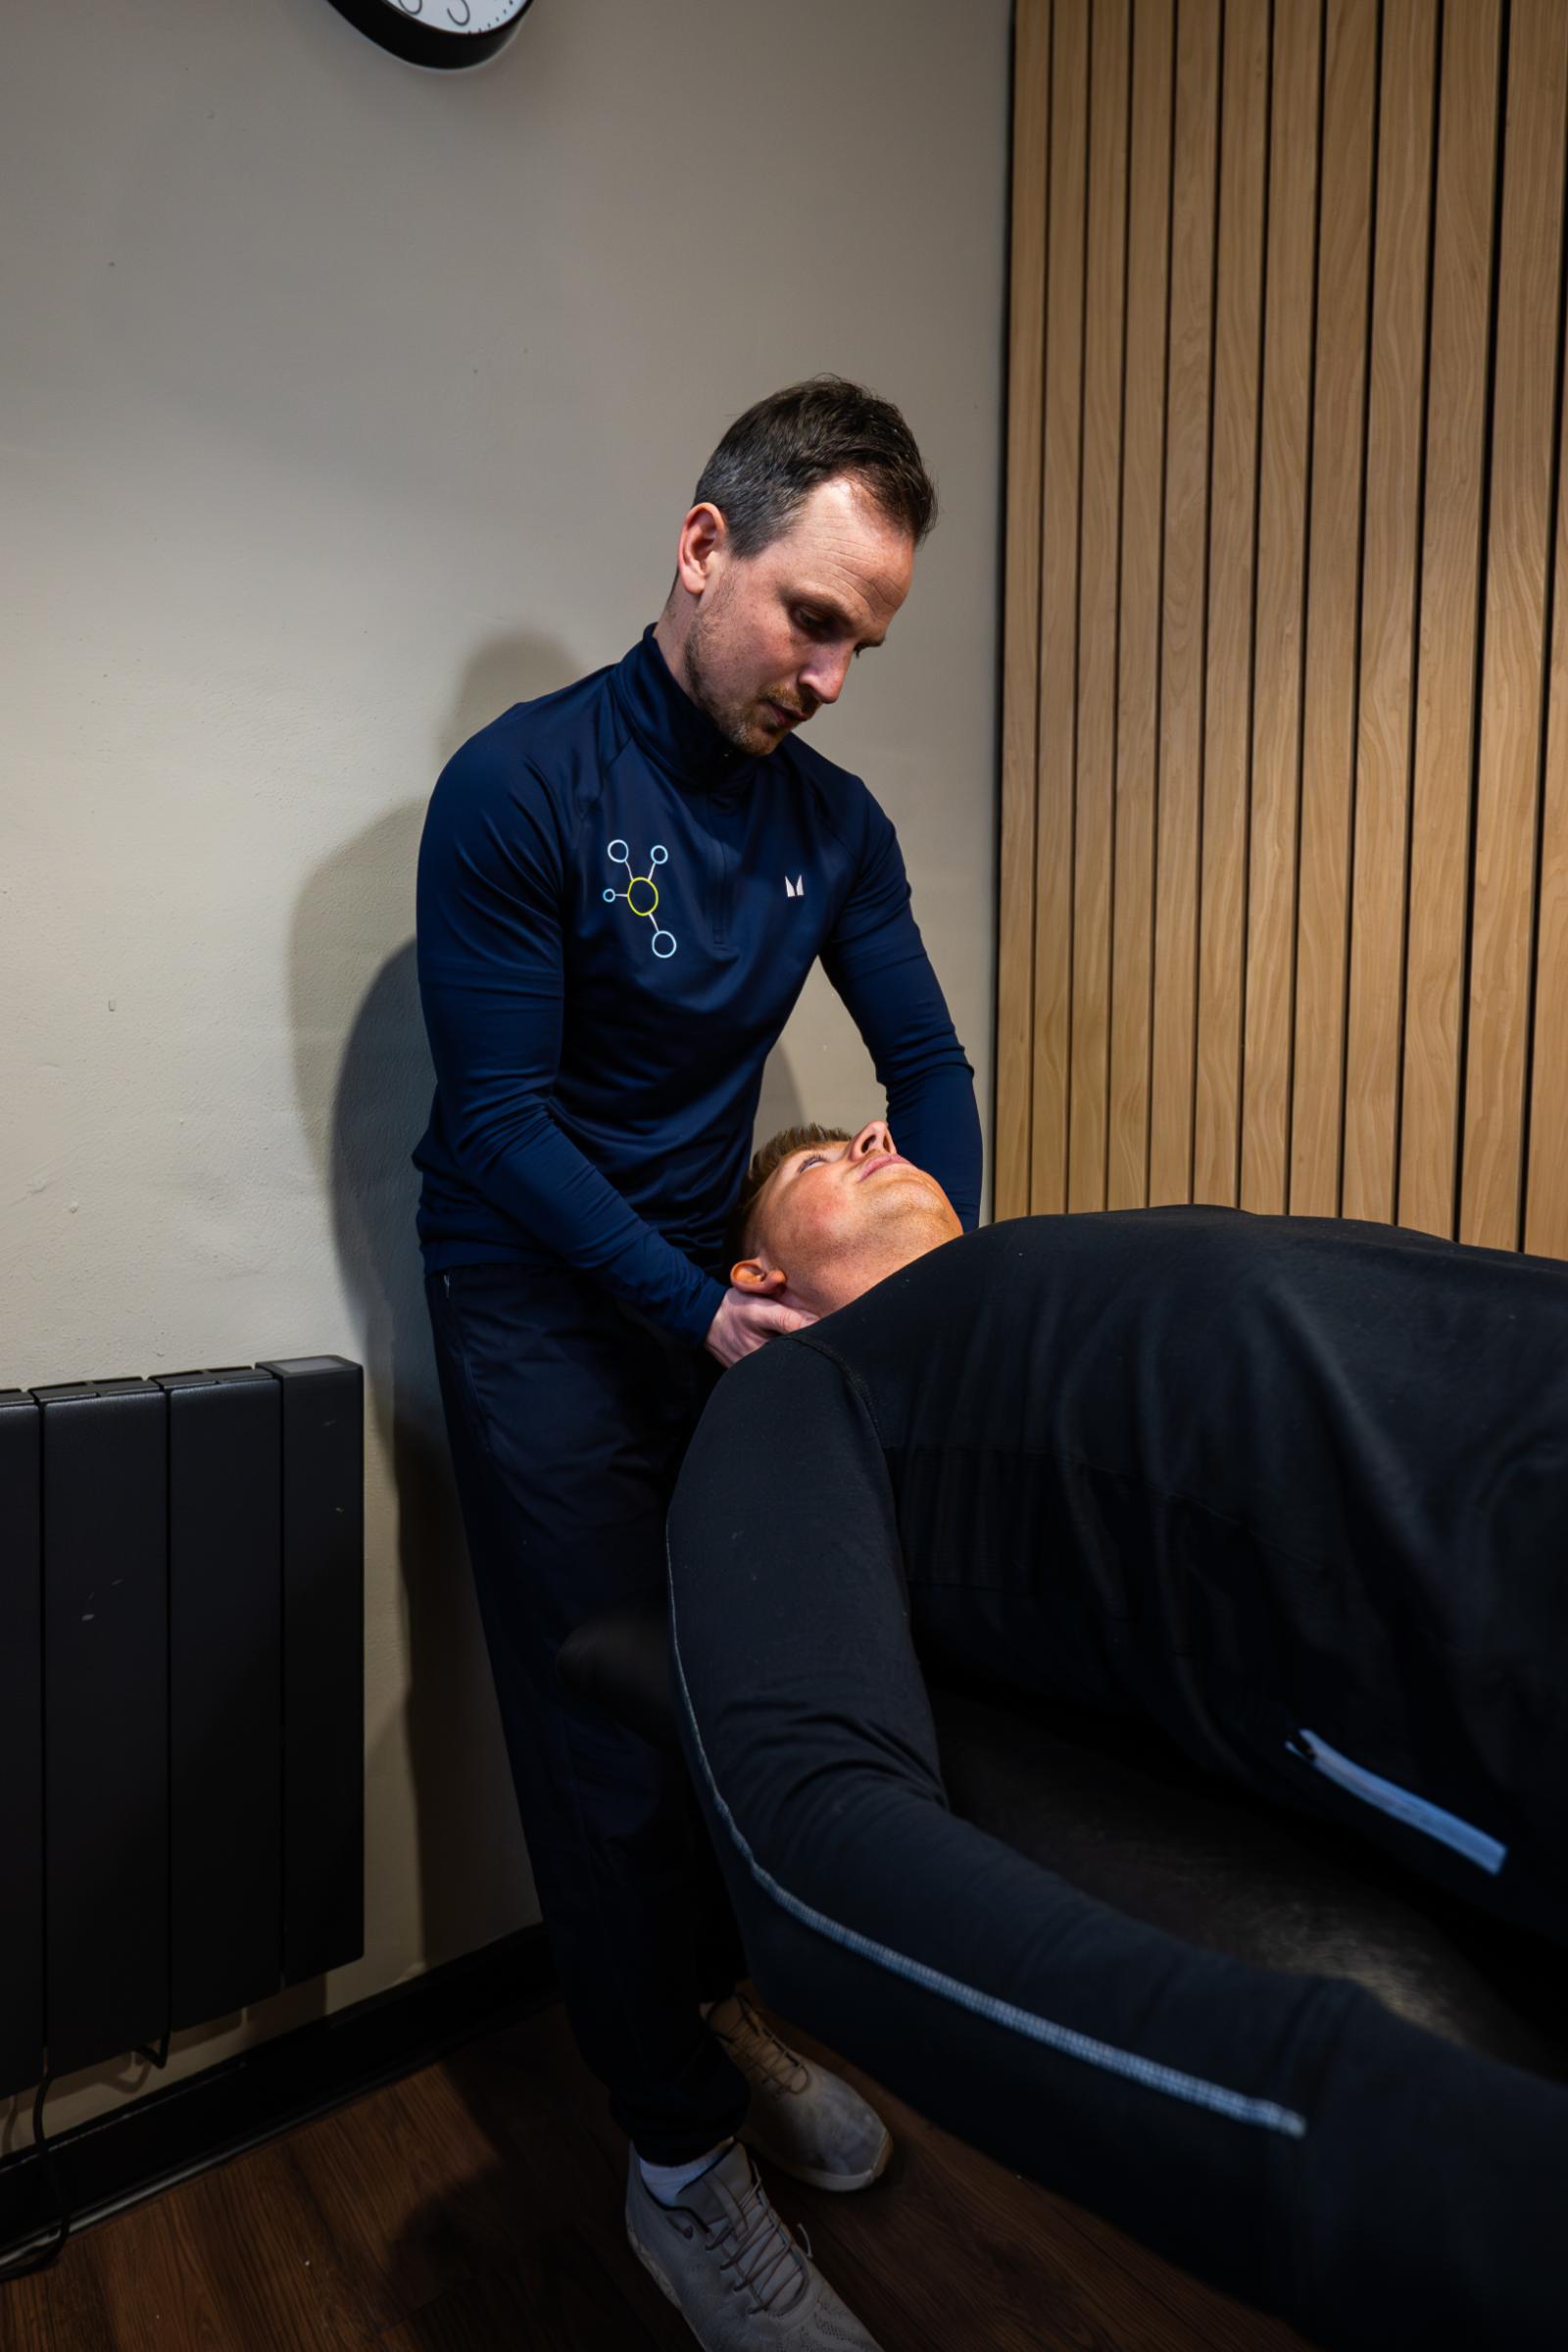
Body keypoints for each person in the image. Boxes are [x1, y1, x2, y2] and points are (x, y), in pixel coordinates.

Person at [414, 382, 982, 2350]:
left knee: (734, 1692)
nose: (830, 675)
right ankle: (672, 2174)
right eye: (810, 619)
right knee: (600, 1738)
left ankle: (715, 2010)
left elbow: (928, 1076)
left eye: (863, 643)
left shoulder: (833, 829)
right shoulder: (522, 791)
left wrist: (928, 1293)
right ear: (701, 547)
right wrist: (689, 1317)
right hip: (536, 1301)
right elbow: (492, 1126)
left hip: (705, 1293)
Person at [663, 1118, 1568, 2350]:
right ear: (757, 1280)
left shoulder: (1046, 1258)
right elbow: (806, 1839)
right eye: (818, 1165)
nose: (876, 1130)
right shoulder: (802, 1390)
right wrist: (1426, 2171)